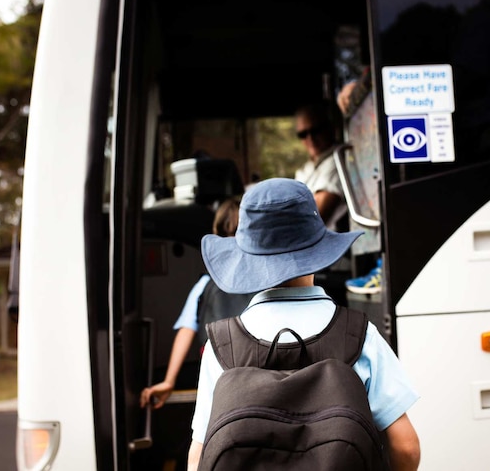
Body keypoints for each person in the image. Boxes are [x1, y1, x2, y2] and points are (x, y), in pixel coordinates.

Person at [187, 178, 421, 471]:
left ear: (246, 259)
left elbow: (198, 458)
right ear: (318, 251)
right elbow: (406, 447)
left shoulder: (221, 346)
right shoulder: (359, 335)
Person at [139, 199, 255, 410]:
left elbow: (187, 329)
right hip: (259, 379)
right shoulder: (265, 279)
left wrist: (169, 380)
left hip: (220, 384)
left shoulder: (205, 285)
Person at [293, 103, 348, 233]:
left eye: (316, 130)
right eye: (303, 134)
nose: (310, 138)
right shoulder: (305, 169)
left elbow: (315, 217)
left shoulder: (338, 159)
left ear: (330, 128)